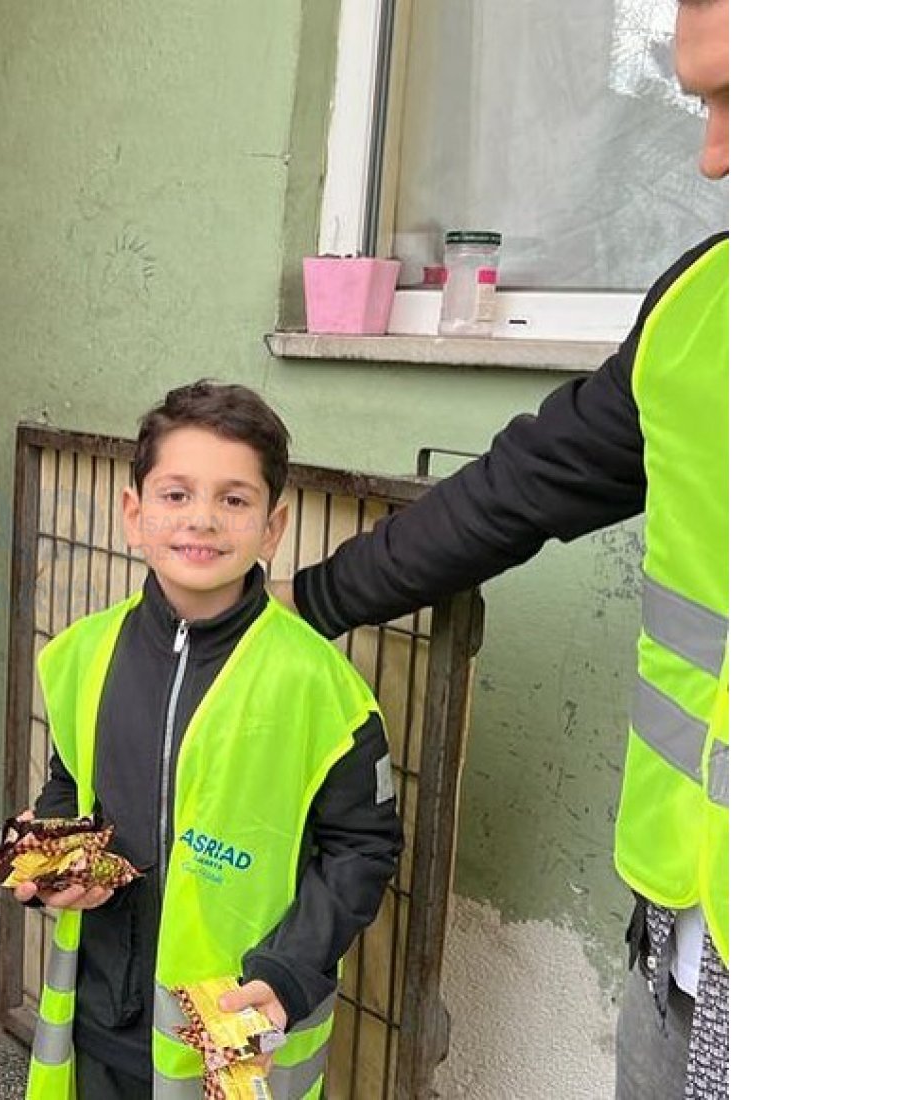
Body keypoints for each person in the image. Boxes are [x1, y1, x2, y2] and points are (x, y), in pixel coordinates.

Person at [286, 3, 729, 1096]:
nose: (713, 159)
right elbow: (516, 491)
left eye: (744, 103)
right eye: (703, 107)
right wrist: (310, 600)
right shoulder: (704, 306)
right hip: (683, 925)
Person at [17, 381, 404, 1100]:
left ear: (272, 528)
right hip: (102, 1018)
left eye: (233, 499)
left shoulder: (320, 685)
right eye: (176, 494)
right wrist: (54, 854)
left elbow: (362, 847)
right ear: (134, 515)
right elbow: (69, 783)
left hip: (237, 1034)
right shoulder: (82, 654)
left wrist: (289, 971)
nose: (202, 518)